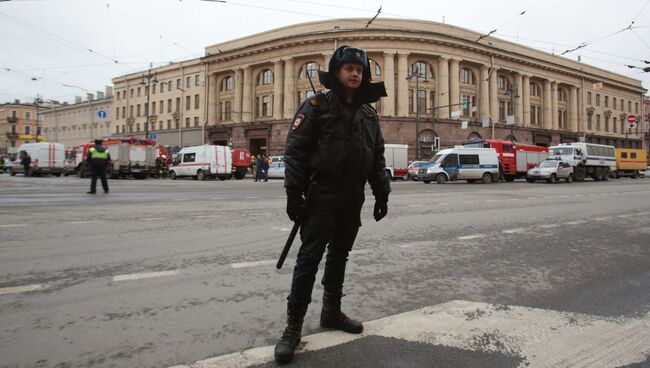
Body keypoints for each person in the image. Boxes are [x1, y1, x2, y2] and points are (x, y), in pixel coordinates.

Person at [274, 45, 390, 363]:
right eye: (349, 68)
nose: (355, 73)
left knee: (340, 255)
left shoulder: (369, 114)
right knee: (308, 260)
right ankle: (292, 329)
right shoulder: (315, 106)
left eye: (360, 70)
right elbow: (295, 152)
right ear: (336, 72)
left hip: (352, 196)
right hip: (320, 194)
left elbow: (376, 156)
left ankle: (331, 312)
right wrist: (293, 195)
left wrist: (382, 193)